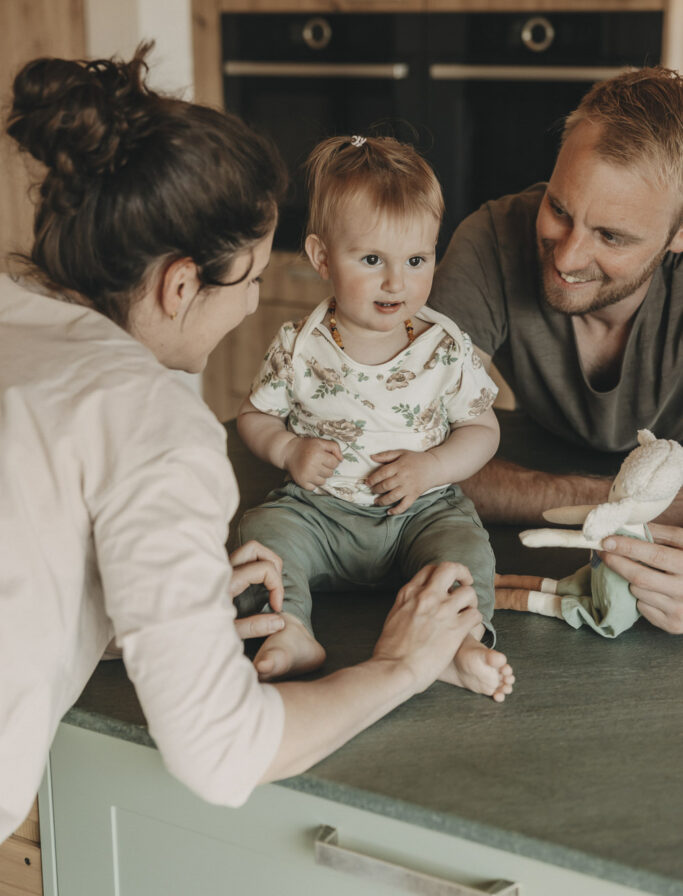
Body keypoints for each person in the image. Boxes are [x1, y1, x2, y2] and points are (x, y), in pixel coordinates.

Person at [0, 47, 486, 844]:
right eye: (252, 278)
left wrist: (177, 596)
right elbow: (221, 753)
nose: (257, 300)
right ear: (181, 284)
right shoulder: (153, 421)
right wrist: (400, 666)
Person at [236, 135, 515, 702]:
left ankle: (457, 642)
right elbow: (254, 416)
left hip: (420, 513)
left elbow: (484, 429)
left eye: (417, 260)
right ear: (320, 258)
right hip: (320, 514)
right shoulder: (298, 346)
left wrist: (431, 466)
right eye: (371, 260)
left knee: (465, 548)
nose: (397, 282)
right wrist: (289, 450)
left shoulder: (445, 347)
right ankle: (290, 630)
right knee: (263, 536)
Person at [429, 65, 683, 634]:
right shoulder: (492, 240)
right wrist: (617, 500)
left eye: (611, 236)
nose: (566, 258)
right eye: (560, 210)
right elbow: (412, 446)